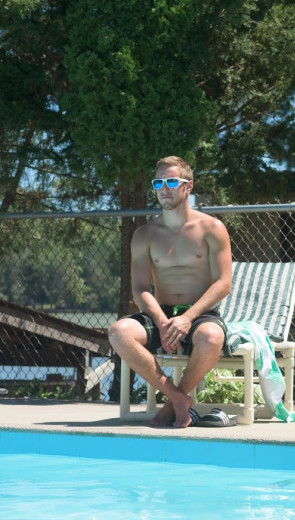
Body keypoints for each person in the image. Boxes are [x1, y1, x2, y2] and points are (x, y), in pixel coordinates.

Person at [108, 156, 232, 428]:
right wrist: (162, 322)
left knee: (211, 338)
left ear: (188, 186)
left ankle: (172, 402)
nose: (165, 188)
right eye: (159, 182)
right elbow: (140, 289)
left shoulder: (212, 228)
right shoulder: (145, 234)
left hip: (199, 315)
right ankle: (177, 398)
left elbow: (223, 283)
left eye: (172, 181)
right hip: (160, 314)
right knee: (118, 332)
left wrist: (188, 318)